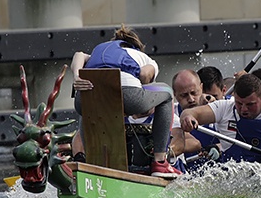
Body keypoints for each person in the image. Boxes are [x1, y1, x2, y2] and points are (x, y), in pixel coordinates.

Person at [70, 25, 182, 178]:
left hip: (84, 99)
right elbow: (144, 75)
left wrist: (77, 77)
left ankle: (91, 161)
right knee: (167, 94)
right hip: (127, 95)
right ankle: (160, 162)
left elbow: (79, 55)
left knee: (88, 104)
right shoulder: (143, 57)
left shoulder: (100, 49)